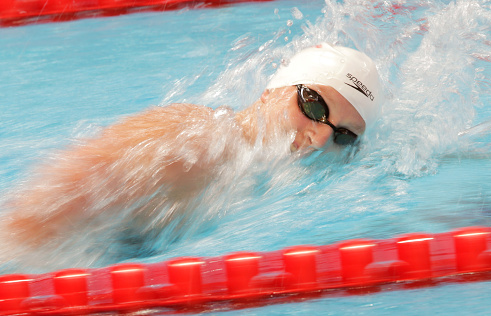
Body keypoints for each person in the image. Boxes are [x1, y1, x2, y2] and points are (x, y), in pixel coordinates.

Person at [0, 42, 381, 264]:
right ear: (275, 87)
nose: (318, 139)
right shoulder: (193, 143)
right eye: (314, 105)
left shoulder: (261, 180)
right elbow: (26, 222)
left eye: (344, 136)